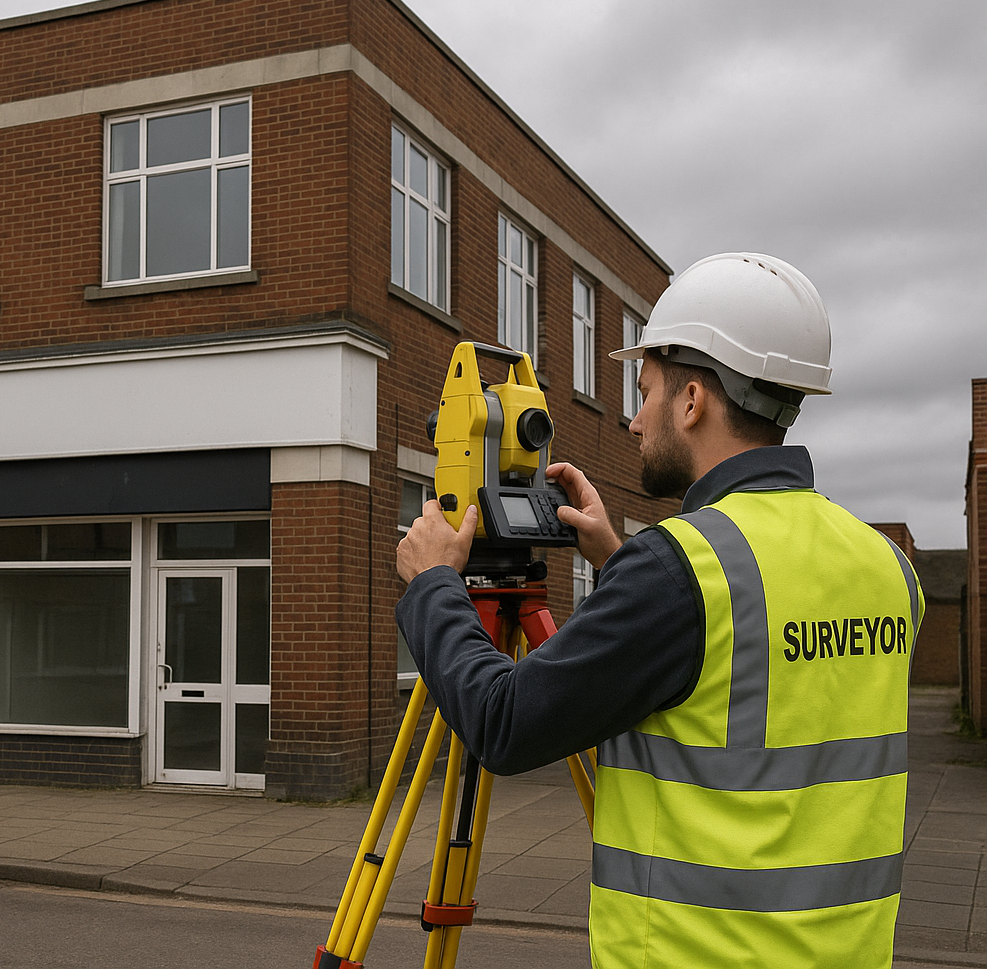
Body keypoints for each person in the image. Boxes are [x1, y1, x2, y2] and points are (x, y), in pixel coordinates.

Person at [395, 253, 921, 969]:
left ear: (694, 400)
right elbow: (753, 668)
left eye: (644, 392)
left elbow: (503, 722)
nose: (636, 421)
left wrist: (432, 585)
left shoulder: (680, 571)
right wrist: (620, 561)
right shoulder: (886, 566)